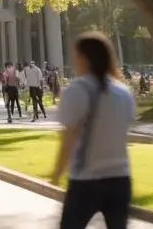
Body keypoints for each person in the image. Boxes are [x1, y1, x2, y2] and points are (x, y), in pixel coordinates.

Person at [51, 32, 135, 229]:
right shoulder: (122, 92)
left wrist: (57, 172)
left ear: (83, 58)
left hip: (86, 180)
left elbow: (68, 137)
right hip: (120, 178)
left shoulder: (76, 90)